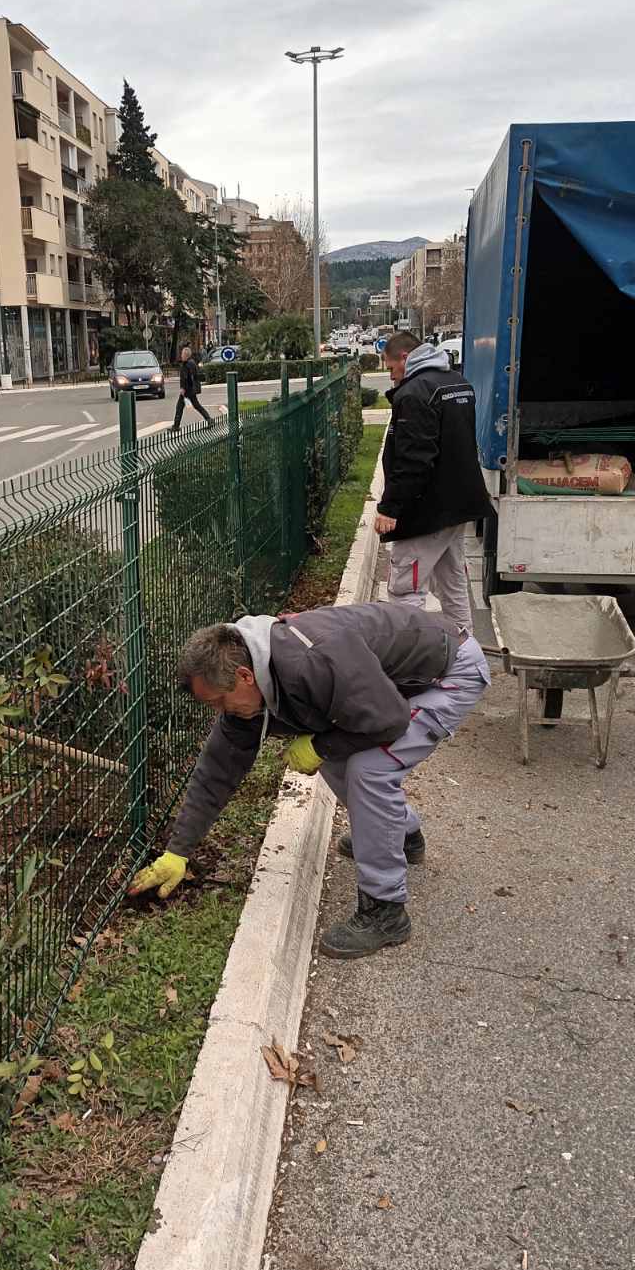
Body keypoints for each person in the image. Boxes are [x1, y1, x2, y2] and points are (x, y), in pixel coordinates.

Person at [128, 603, 489, 959]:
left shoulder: (309, 663)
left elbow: (389, 720)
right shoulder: (253, 685)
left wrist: (320, 744)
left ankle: (385, 911)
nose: (221, 713)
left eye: (220, 703)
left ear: (243, 676)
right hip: (399, 683)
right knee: (335, 758)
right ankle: (403, 836)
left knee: (370, 770)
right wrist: (178, 852)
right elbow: (216, 773)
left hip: (449, 674)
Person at [375, 330, 490, 640]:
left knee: (405, 590)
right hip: (458, 506)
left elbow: (414, 460)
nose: (390, 376)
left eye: (390, 367)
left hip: (426, 511)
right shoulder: (457, 383)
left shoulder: (415, 393)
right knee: (452, 583)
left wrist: (390, 508)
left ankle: (412, 665)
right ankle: (465, 652)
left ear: (405, 358)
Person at [172, 345, 213, 430]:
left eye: (182, 354)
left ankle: (176, 426)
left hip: (188, 390)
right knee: (194, 405)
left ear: (186, 355)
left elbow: (186, 378)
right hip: (191, 389)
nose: (181, 356)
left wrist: (183, 388)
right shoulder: (192, 363)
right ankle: (209, 420)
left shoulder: (186, 364)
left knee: (180, 407)